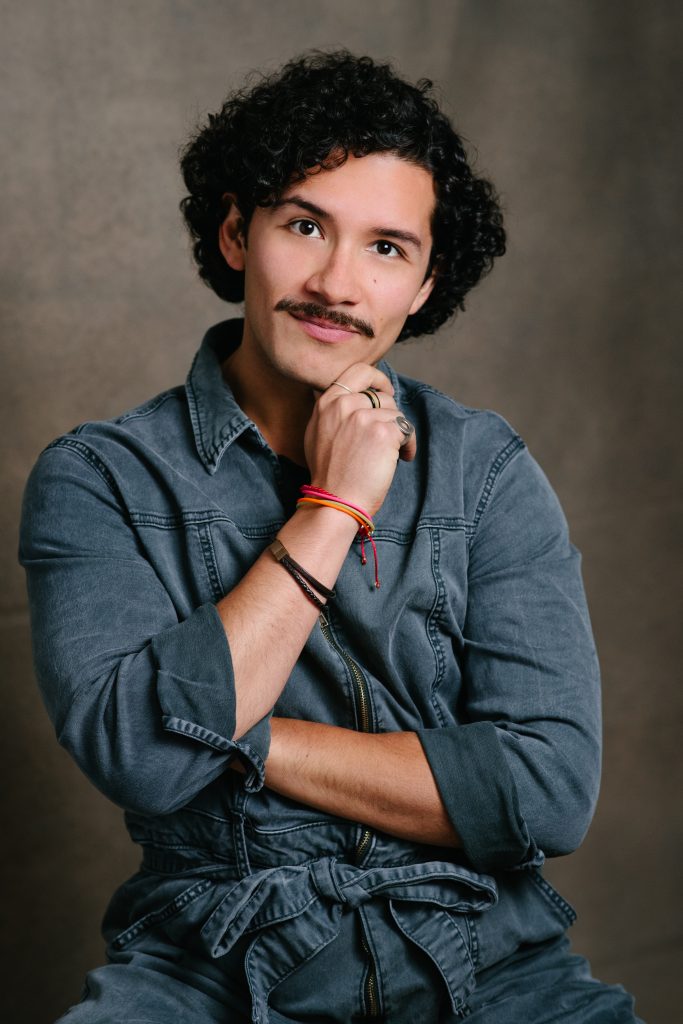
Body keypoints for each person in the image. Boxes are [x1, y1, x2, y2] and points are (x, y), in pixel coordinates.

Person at [20, 51, 642, 1023]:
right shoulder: (99, 477)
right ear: (237, 232)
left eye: (386, 247)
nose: (336, 283)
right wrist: (333, 508)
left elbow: (546, 793)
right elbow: (142, 761)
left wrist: (233, 737)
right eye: (304, 225)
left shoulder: (484, 469)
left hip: (487, 959)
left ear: (424, 284)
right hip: (212, 963)